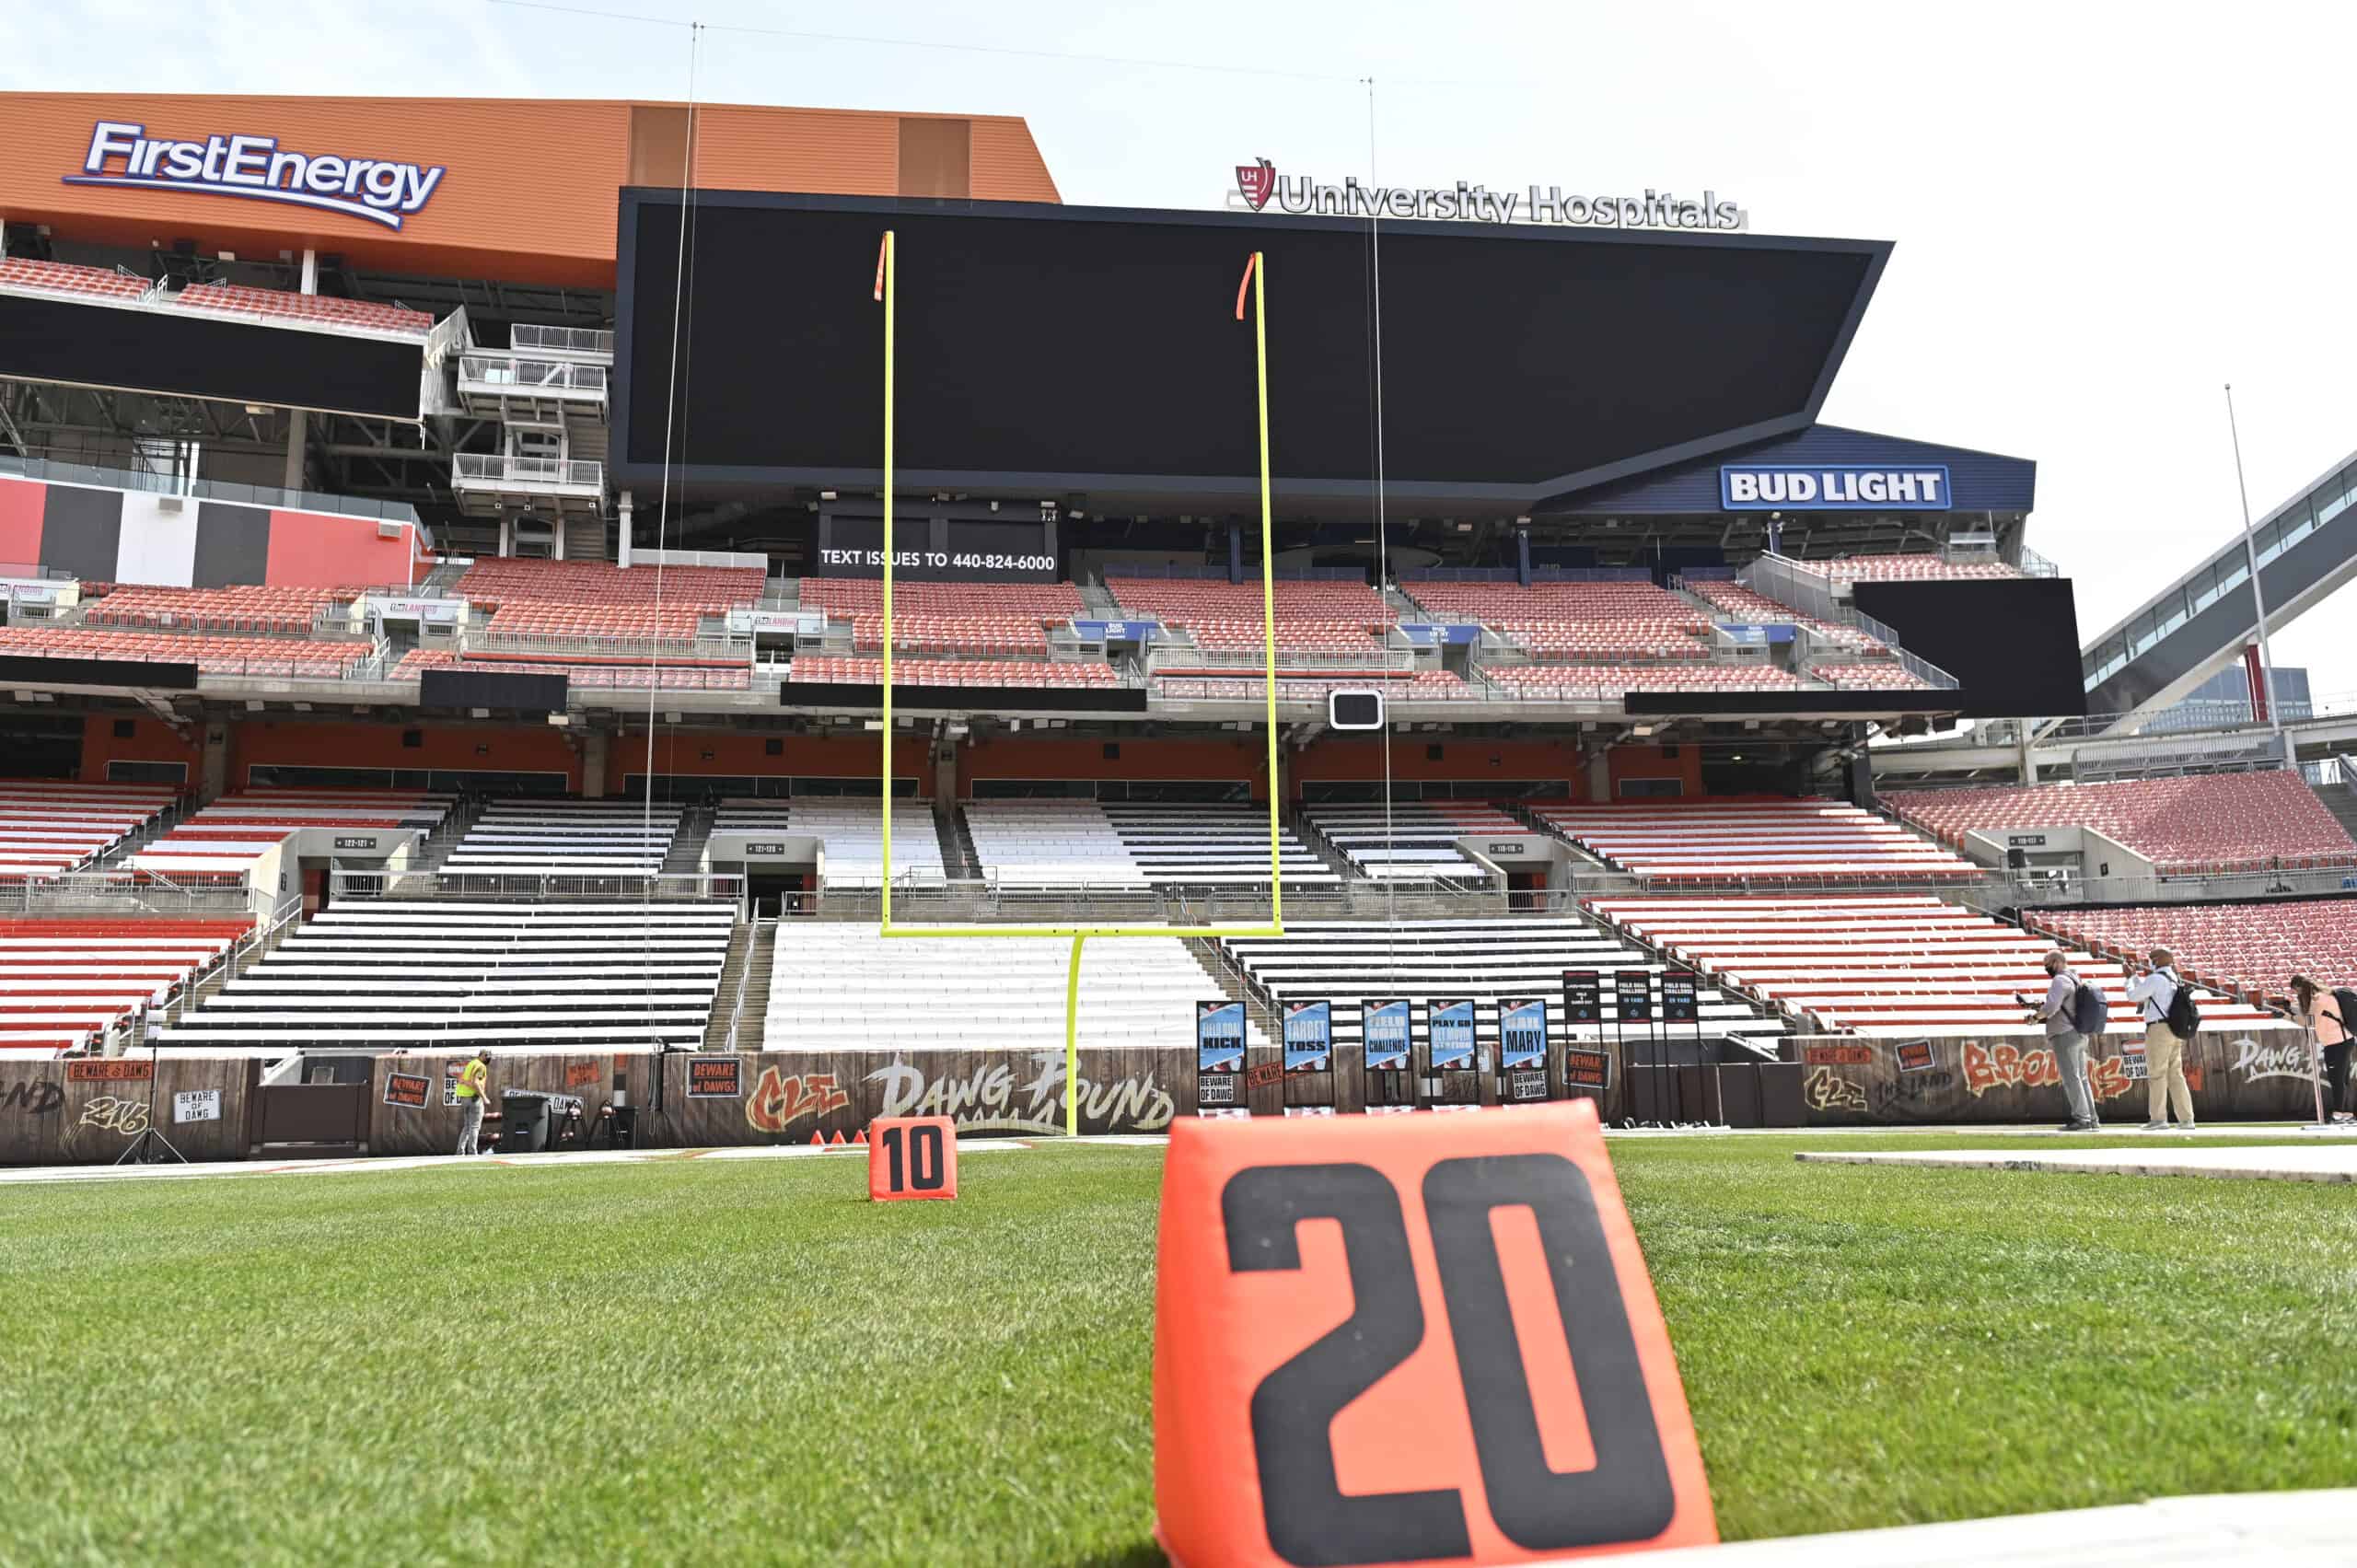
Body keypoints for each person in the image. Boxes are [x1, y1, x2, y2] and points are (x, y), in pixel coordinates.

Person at [2023, 948, 2101, 1131]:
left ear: (2057, 962)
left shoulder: (2060, 980)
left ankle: (2081, 1119)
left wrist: (2035, 1017)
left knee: (2071, 1078)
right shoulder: (2075, 978)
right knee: (2081, 1078)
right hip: (2080, 1033)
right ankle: (2092, 1119)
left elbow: (2051, 1007)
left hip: (2065, 1034)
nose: (2046, 969)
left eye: (2048, 965)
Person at [2123, 947, 2195, 1132]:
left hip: (2158, 1029)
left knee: (2157, 1074)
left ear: (2159, 960)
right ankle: (2186, 1120)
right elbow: (2147, 993)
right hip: (2174, 1030)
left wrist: (2130, 978)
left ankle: (2158, 1119)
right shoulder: (2173, 978)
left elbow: (2134, 996)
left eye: (2152, 958)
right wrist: (2137, 978)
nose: (2150, 961)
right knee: (2175, 1075)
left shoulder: (2155, 979)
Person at [2287, 976, 2354, 1125]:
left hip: (2336, 1042)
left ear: (2300, 988)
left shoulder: (2317, 1000)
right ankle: (2346, 1113)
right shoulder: (2325, 996)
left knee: (2336, 1079)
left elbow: (2309, 1021)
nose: (2297, 995)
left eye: (2296, 991)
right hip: (2343, 1040)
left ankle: (2338, 1114)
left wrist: (2287, 1016)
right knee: (2343, 1079)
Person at [454, 1049, 492, 1156]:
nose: (488, 1058)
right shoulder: (480, 1066)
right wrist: (484, 1097)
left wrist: (465, 1082)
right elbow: (476, 1083)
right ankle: (472, 1152)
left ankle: (460, 1151)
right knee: (474, 1127)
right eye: (486, 1056)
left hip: (464, 1098)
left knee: (466, 1126)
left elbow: (462, 1079)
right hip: (474, 1098)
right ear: (481, 1055)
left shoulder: (472, 1063)